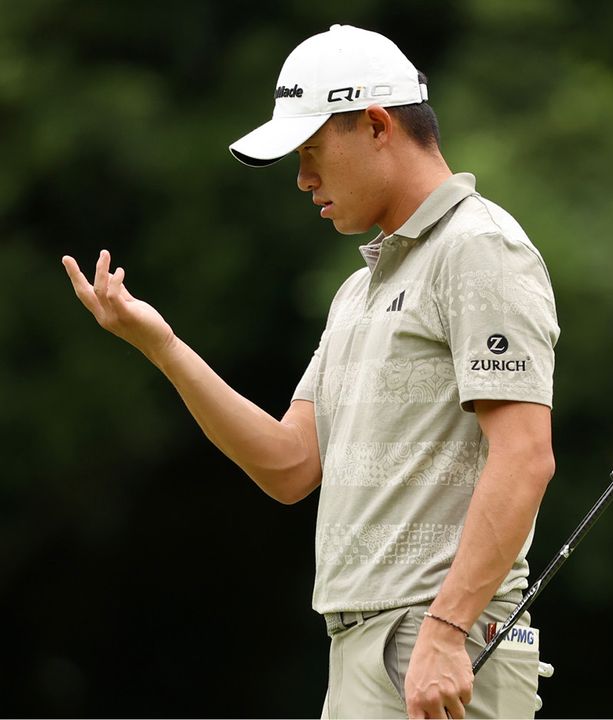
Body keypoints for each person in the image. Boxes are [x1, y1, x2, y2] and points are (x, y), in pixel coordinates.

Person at [62, 25, 557, 717]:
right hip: (365, 645)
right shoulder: (360, 290)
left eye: (313, 152)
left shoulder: (478, 249)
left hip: (439, 640)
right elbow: (289, 464)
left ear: (378, 125)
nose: (303, 179)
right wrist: (163, 347)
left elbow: (526, 455)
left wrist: (445, 632)